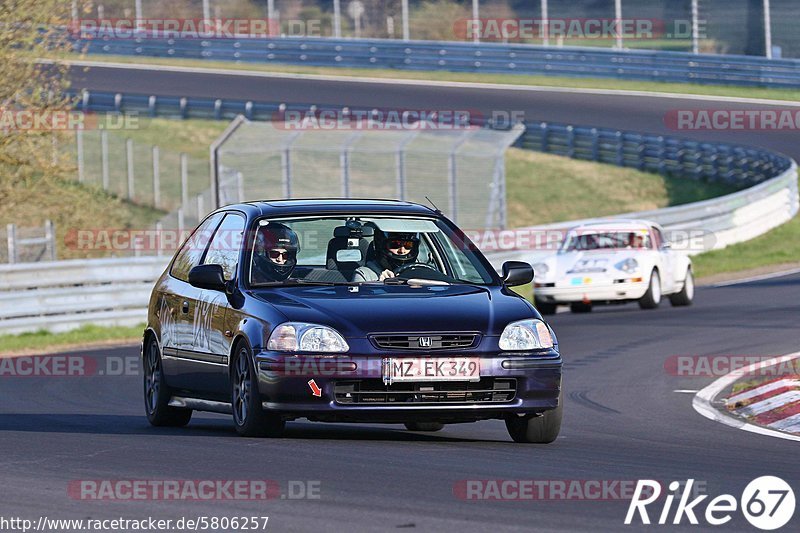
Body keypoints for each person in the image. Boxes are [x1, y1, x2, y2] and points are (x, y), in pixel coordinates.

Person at [353, 230, 420, 282]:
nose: (402, 250)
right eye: (395, 245)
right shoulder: (364, 275)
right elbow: (358, 299)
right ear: (382, 246)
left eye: (408, 245)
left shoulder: (420, 271)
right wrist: (380, 285)